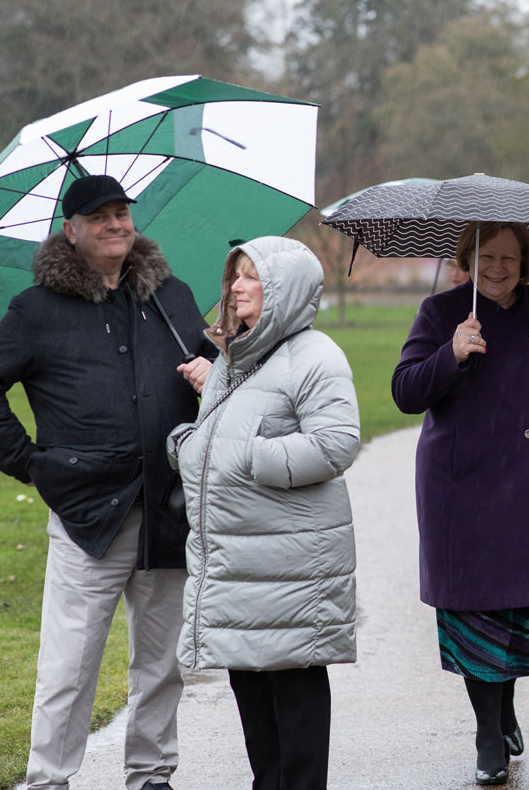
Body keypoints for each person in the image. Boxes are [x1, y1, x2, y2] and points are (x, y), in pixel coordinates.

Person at [0, 175, 215, 790]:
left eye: (122, 213)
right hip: (88, 513)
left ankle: (151, 773)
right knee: (69, 665)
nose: (116, 224)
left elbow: (218, 380)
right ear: (71, 230)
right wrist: (29, 463)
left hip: (169, 507)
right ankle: (49, 780)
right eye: (99, 217)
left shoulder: (171, 296)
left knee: (162, 661)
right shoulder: (37, 310)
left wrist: (214, 369)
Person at [391, 221, 529, 786]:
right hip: (463, 490)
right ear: (468, 258)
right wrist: (450, 354)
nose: (498, 267)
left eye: (510, 257)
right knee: (473, 611)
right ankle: (487, 734)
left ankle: (502, 706)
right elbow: (405, 392)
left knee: (525, 614)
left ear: (526, 261)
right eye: (487, 256)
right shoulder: (441, 312)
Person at [166, 236, 360, 790]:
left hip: (290, 562)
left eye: (252, 277)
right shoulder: (232, 359)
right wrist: (189, 443)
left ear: (284, 290)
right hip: (237, 560)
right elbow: (218, 433)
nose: (236, 287)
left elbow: (337, 443)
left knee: (293, 691)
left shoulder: (316, 355)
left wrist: (250, 456)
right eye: (234, 276)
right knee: (250, 688)